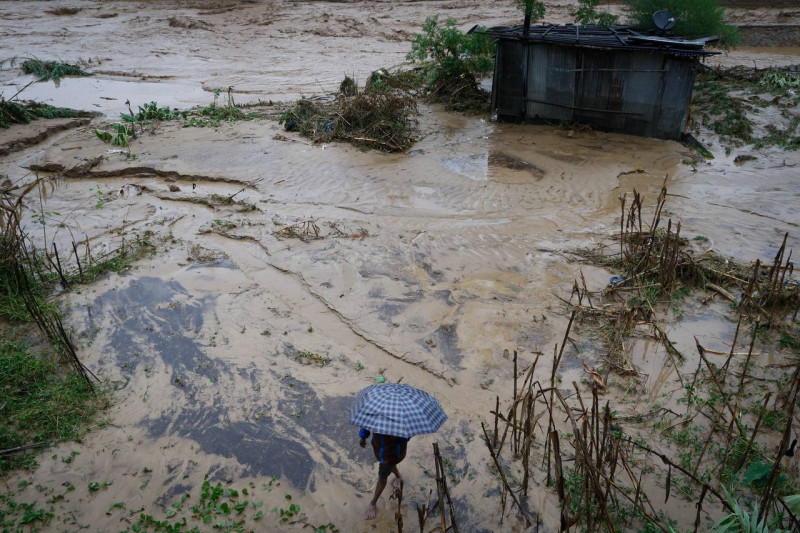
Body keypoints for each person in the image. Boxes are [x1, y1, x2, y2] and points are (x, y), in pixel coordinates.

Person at [359, 427, 409, 520]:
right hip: (379, 449)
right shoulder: (376, 412)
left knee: (382, 478)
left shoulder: (400, 420)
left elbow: (407, 435)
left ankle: (373, 503)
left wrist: (397, 437)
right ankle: (398, 476)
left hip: (392, 453)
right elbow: (366, 424)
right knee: (388, 465)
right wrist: (363, 437)